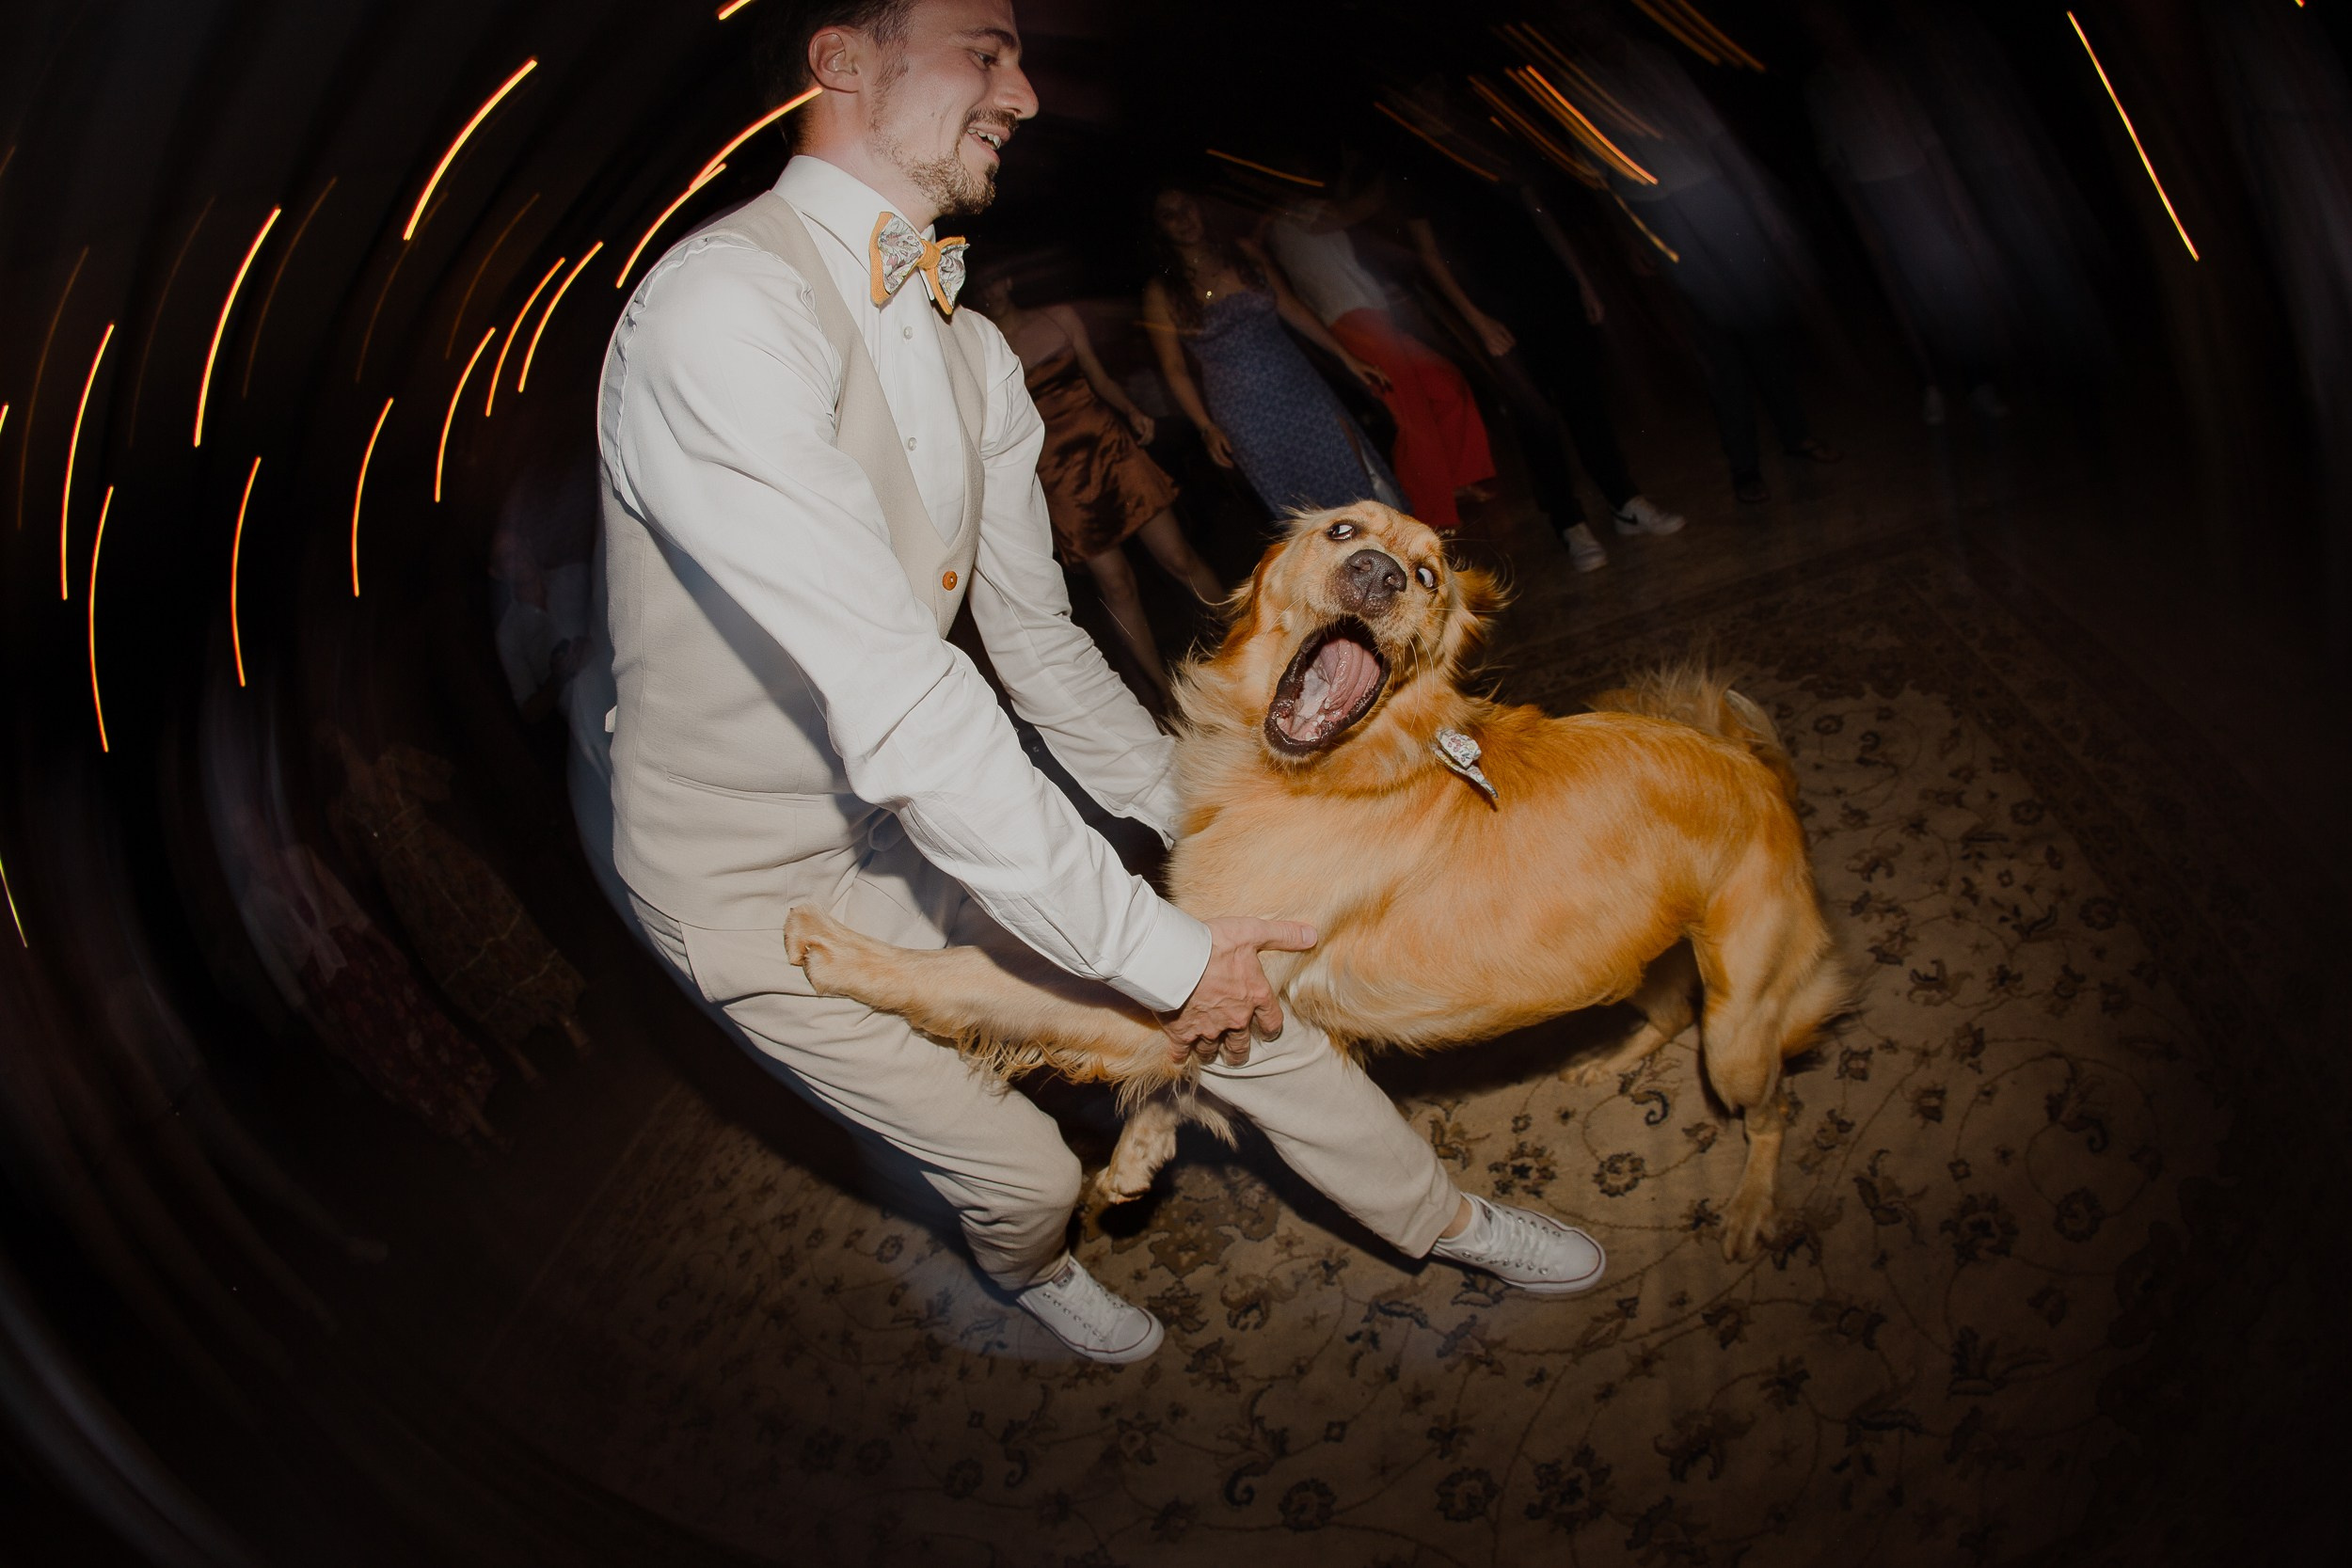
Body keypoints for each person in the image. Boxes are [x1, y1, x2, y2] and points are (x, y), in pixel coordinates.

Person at [595, 0, 1607, 1364]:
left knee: (1246, 1011)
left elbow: (1046, 648)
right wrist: (1158, 954)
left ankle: (1445, 1218)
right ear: (844, 60)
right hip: (740, 882)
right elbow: (899, 689)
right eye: (985, 47)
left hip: (918, 813)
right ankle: (1029, 1263)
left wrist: (1212, 836)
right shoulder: (719, 308)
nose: (1021, 89)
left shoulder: (969, 353)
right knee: (1024, 1175)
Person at [1407, 173, 1688, 571]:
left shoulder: (1486, 143)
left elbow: (1541, 217)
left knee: (1586, 401)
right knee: (1535, 418)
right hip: (1497, 309)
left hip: (1551, 291)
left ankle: (1624, 502)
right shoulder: (1418, 173)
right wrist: (1478, 321)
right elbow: (1429, 255)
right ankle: (1569, 523)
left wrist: (1581, 281)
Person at [971, 269, 1220, 696]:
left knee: (1178, 557)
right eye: (983, 285)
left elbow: (1098, 377)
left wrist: (1133, 411)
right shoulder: (980, 347)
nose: (992, 290)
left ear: (1009, 281)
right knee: (1117, 583)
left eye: (996, 280)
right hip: (1056, 474)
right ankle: (1162, 690)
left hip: (1111, 448)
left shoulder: (1059, 317)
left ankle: (1245, 632)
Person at [1142, 187, 1407, 522]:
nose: (1182, 219)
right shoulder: (1161, 292)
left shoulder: (1243, 253)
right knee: (1304, 510)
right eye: (1169, 215)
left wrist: (1347, 357)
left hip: (1299, 387)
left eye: (1187, 207)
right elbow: (1174, 368)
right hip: (1244, 414)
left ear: (1201, 208)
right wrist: (1206, 427)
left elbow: (1292, 307)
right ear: (1159, 228)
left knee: (1352, 478)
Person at [1266, 181, 1497, 531]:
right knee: (1413, 415)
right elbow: (1348, 213)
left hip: (1375, 314)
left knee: (1446, 385)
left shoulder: (1306, 208)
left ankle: (1451, 484)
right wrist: (1390, 177)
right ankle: (1429, 514)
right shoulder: (1287, 218)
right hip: (1352, 322)